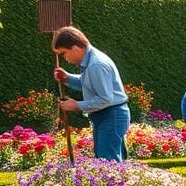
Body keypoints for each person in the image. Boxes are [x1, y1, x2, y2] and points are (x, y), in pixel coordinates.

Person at [52, 26, 131, 161]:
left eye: (64, 53)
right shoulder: (91, 62)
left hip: (111, 114)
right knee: (108, 161)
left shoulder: (96, 64)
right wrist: (67, 78)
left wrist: (76, 105)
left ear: (76, 48)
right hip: (108, 114)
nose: (65, 58)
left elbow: (105, 99)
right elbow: (89, 84)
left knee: (107, 163)